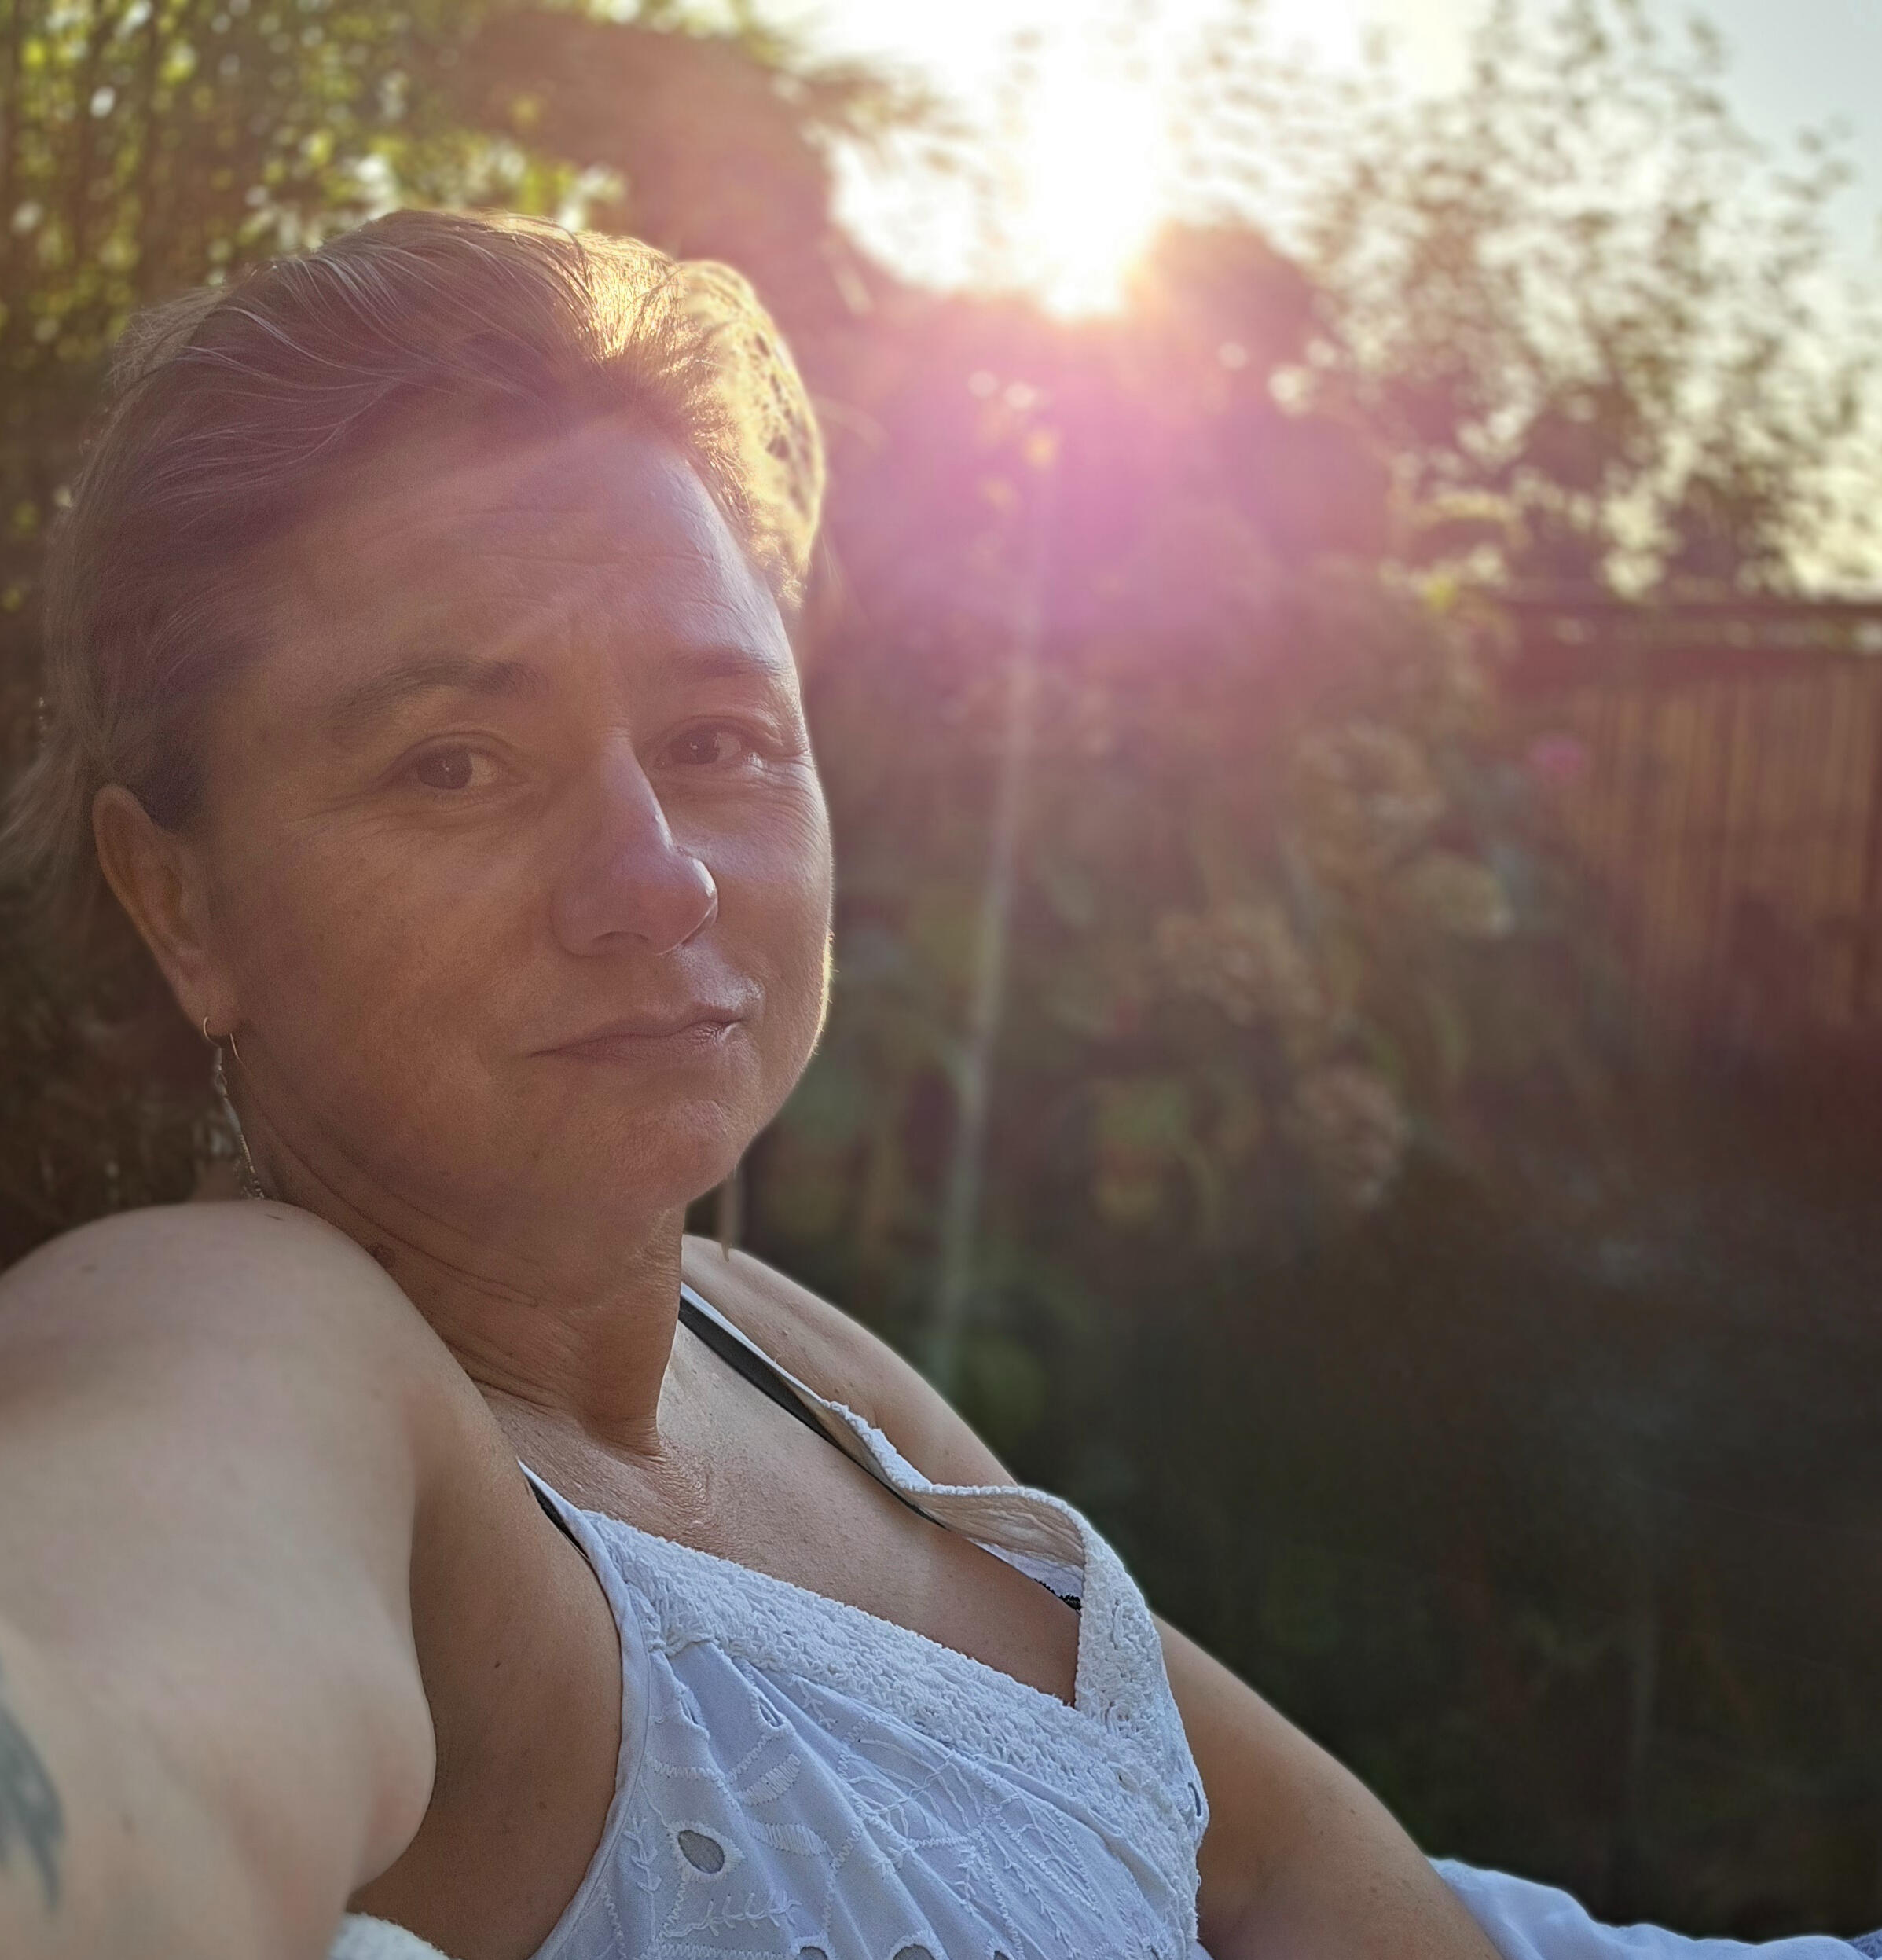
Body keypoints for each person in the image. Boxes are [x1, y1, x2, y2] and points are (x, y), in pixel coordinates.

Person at [0, 208, 1869, 1960]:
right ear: (179, 901)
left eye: (719, 736)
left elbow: (1286, 1864)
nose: (658, 879)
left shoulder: (778, 1352)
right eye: (455, 764)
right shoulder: (253, 1347)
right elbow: (111, 1707)